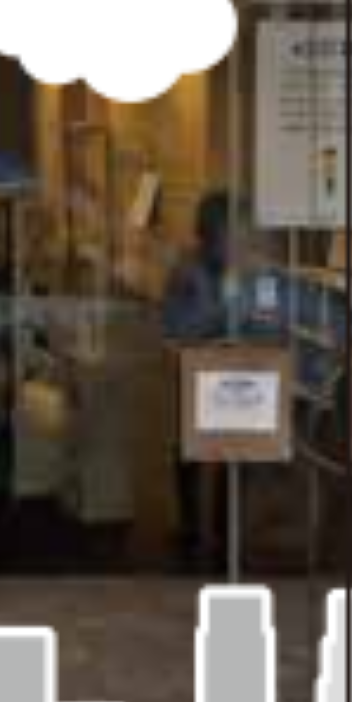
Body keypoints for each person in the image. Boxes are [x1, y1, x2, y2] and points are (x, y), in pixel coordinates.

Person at [160, 192, 235, 567]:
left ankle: (222, 531)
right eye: (226, 228)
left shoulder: (234, 267)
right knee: (192, 448)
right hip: (197, 367)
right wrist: (217, 320)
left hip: (231, 368)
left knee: (231, 448)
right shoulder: (187, 270)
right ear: (209, 230)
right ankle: (192, 527)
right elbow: (175, 325)